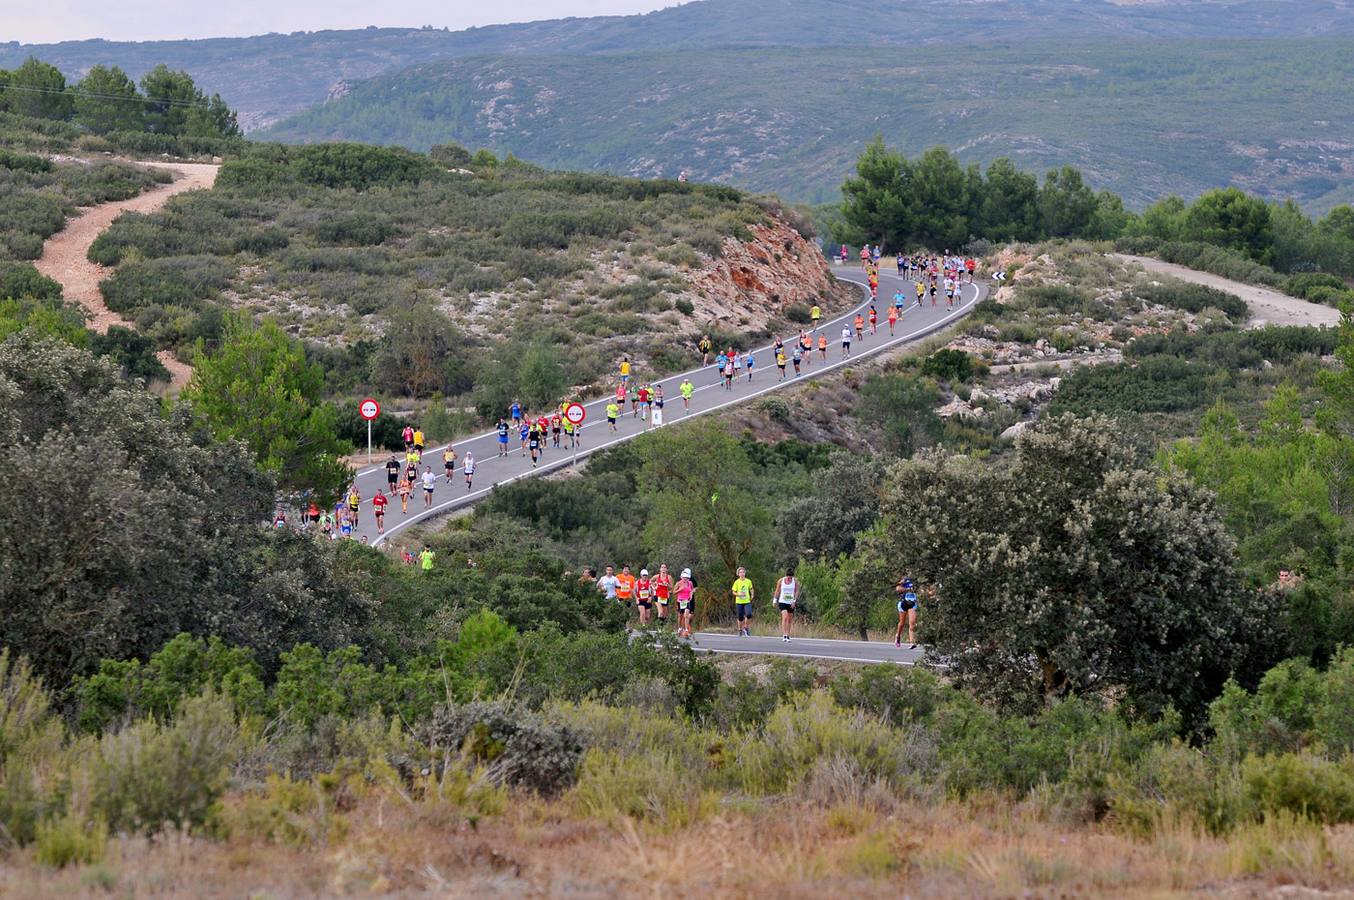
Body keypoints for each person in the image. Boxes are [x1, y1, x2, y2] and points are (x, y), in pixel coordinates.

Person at [775, 568, 800, 642]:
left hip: (791, 602)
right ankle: (784, 635)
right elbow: (777, 590)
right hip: (782, 601)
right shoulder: (781, 581)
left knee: (789, 619)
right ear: (786, 576)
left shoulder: (795, 581)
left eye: (791, 578)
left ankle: (788, 635)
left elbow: (797, 591)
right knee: (785, 617)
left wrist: (794, 601)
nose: (789, 579)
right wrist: (775, 600)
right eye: (788, 578)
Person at [895, 576, 919, 649]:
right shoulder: (904, 579)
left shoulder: (917, 579)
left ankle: (912, 642)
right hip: (903, 603)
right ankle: (898, 636)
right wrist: (907, 589)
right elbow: (897, 588)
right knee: (902, 623)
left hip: (912, 603)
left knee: (912, 623)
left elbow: (923, 590)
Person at [732, 566, 755, 636]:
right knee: (740, 617)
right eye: (740, 572)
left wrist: (752, 594)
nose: (742, 573)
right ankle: (740, 630)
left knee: (749, 614)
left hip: (747, 601)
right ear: (738, 574)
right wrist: (738, 594)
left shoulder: (748, 581)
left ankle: (746, 628)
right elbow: (733, 592)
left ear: (745, 573)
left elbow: (751, 588)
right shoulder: (736, 582)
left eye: (743, 572)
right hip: (739, 602)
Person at [675, 568, 695, 638]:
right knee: (680, 616)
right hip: (680, 601)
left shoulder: (690, 583)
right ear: (681, 577)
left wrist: (691, 594)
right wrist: (679, 590)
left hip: (687, 601)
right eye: (684, 578)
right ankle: (679, 628)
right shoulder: (678, 583)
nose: (685, 579)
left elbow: (692, 589)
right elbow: (674, 592)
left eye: (687, 578)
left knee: (686, 615)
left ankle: (686, 630)